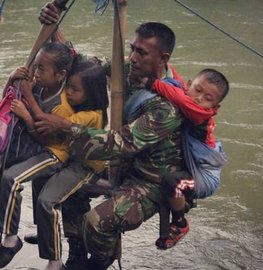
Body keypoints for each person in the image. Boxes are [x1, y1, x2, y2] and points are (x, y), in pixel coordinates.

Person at [37, 7, 188, 268]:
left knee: (97, 222)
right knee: (67, 186)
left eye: (142, 52)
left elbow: (125, 143)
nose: (133, 57)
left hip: (149, 179)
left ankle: (99, 261)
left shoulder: (167, 105)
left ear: (164, 58)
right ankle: (76, 251)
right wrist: (54, 28)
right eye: (133, 48)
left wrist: (67, 127)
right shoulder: (128, 68)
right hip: (118, 163)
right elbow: (79, 62)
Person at [0, 42, 75, 269]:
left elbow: (46, 139)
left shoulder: (61, 104)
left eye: (41, 70)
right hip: (35, 146)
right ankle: (0, 215)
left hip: (53, 152)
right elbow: (7, 99)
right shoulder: (38, 86)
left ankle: (10, 240)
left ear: (60, 75)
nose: (35, 74)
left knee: (12, 178)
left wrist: (27, 116)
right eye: (34, 67)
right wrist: (12, 79)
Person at [142, 68, 229, 249]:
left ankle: (180, 223)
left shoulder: (201, 114)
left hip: (205, 177)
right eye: (197, 90)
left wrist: (153, 83)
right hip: (197, 165)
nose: (199, 98)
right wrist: (166, 67)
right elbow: (178, 84)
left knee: (172, 182)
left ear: (215, 107)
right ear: (189, 85)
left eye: (208, 98)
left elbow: (181, 99)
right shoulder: (186, 92)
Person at [34, 61, 109, 270]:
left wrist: (29, 103)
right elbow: (66, 56)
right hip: (71, 160)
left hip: (85, 167)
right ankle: (45, 232)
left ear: (91, 92)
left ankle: (54, 256)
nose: (68, 93)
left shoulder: (90, 115)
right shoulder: (82, 105)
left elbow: (57, 123)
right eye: (68, 86)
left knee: (47, 199)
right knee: (39, 178)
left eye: (74, 90)